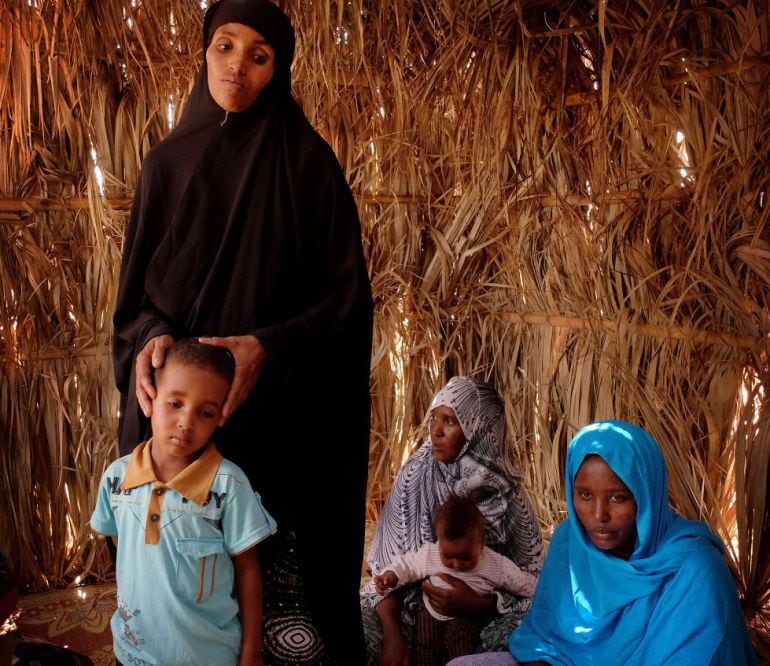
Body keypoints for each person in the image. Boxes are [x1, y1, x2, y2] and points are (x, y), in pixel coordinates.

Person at [111, 0, 373, 663]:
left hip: (281, 432)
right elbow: (137, 303)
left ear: (277, 70)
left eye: (259, 55)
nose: (237, 67)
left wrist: (269, 347)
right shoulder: (168, 164)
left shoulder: (310, 167)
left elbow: (347, 308)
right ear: (203, 53)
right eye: (225, 47)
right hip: (182, 427)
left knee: (277, 618)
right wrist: (148, 343)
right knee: (175, 614)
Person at [447, 420, 759, 666]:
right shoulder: (571, 542)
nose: (598, 516)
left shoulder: (695, 569)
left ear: (646, 495)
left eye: (618, 497)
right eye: (584, 495)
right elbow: (546, 640)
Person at [91, 340, 277, 666]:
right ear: (151, 397)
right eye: (174, 403)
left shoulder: (228, 485)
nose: (186, 423)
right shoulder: (116, 477)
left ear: (221, 416)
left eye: (205, 413)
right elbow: (120, 540)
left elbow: (248, 570)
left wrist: (252, 650)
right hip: (133, 652)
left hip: (209, 655)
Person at [362, 376, 544, 665]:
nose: (435, 431)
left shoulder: (508, 495)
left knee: (535, 633)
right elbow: (388, 573)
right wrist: (393, 639)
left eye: (450, 421)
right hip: (409, 618)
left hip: (488, 619)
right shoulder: (416, 478)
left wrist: (479, 604)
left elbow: (533, 584)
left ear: (479, 429)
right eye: (434, 418)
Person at [374, 496, 537, 665]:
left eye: (465, 558)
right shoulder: (431, 554)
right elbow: (407, 565)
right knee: (424, 649)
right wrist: (392, 576)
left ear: (481, 542)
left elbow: (523, 583)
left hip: (466, 618)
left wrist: (542, 590)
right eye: (448, 557)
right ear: (439, 541)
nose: (456, 564)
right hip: (430, 612)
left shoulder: (496, 565)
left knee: (460, 651)